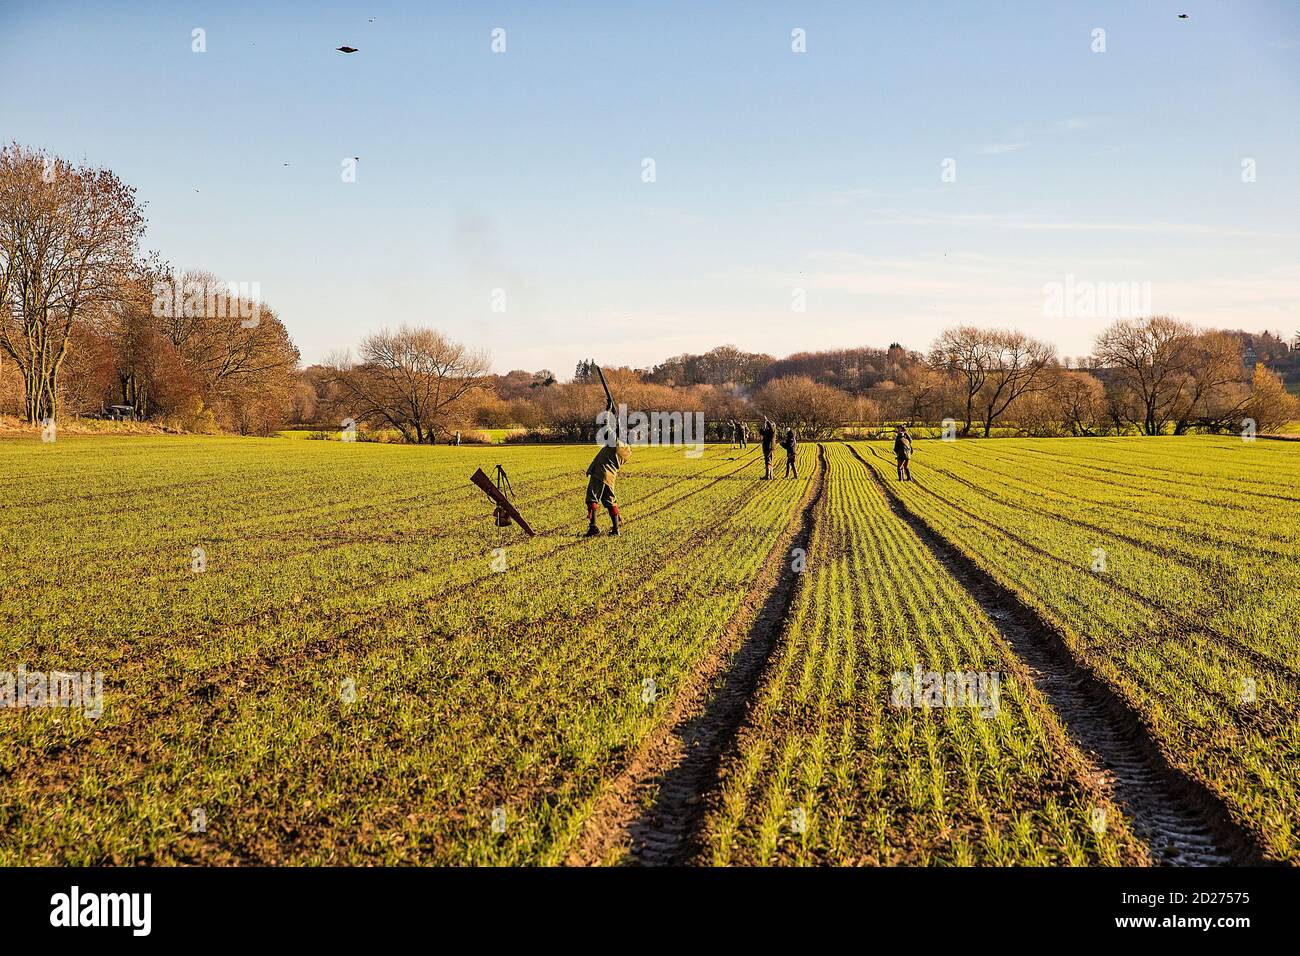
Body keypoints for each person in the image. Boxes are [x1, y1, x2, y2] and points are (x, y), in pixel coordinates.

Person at [586, 438, 631, 536]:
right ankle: (616, 529)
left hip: (600, 473)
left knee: (592, 498)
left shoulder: (616, 443)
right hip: (610, 476)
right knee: (610, 501)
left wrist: (607, 422)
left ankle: (593, 527)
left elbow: (608, 431)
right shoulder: (627, 451)